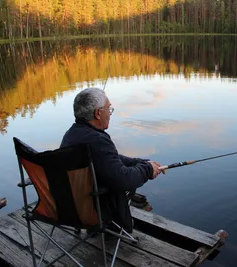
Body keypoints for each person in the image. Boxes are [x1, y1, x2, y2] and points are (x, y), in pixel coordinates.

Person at [60, 87, 164, 233]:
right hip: (94, 213)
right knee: (125, 182)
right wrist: (147, 170)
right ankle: (115, 230)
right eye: (109, 108)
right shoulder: (98, 141)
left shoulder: (72, 135)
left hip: (66, 208)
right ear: (98, 113)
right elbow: (124, 179)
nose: (110, 113)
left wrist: (139, 162)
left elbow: (106, 159)